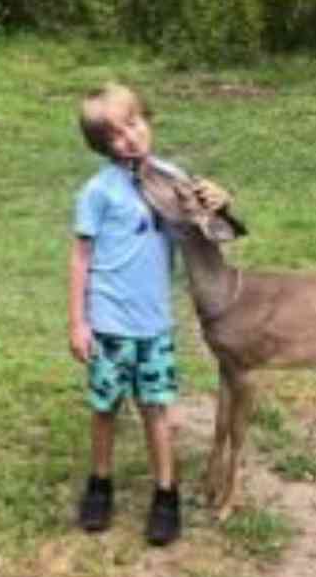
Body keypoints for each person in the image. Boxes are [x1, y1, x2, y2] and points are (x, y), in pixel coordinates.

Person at [68, 83, 225, 546]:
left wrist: (220, 199)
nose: (131, 138)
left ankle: (165, 493)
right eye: (116, 135)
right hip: (110, 323)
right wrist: (79, 321)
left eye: (134, 124)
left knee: (156, 408)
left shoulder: (172, 178)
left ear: (148, 120)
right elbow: (80, 257)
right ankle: (100, 484)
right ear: (102, 146)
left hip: (154, 323)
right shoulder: (98, 192)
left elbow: (210, 230)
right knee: (105, 408)